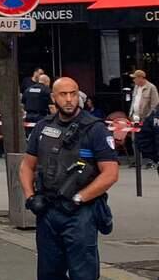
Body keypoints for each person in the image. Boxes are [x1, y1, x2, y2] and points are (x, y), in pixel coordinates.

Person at [20, 77, 119, 280]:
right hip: (48, 210)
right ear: (53, 97)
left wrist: (80, 197)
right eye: (63, 94)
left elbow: (110, 173)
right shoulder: (43, 127)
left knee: (83, 274)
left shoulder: (94, 128)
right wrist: (30, 198)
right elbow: (26, 166)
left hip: (80, 213)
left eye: (73, 94)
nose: (69, 99)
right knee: (49, 273)